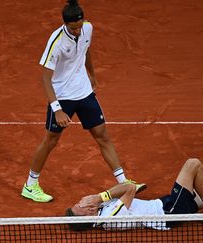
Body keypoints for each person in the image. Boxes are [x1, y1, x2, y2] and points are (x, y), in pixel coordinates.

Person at [21, 0, 145, 203]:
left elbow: (86, 50)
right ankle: (30, 184)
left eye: (80, 26)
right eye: (73, 28)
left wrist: (92, 74)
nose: (78, 31)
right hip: (62, 96)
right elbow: (45, 78)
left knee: (102, 135)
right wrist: (57, 109)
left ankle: (124, 182)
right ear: (65, 24)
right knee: (51, 140)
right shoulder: (56, 41)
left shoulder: (87, 28)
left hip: (84, 92)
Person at [66, 158, 203, 230]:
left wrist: (99, 198)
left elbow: (132, 186)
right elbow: (130, 188)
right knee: (193, 164)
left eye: (79, 202)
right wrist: (100, 197)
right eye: (81, 207)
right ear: (87, 217)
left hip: (165, 204)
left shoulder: (102, 208)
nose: (82, 202)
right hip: (169, 213)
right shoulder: (109, 217)